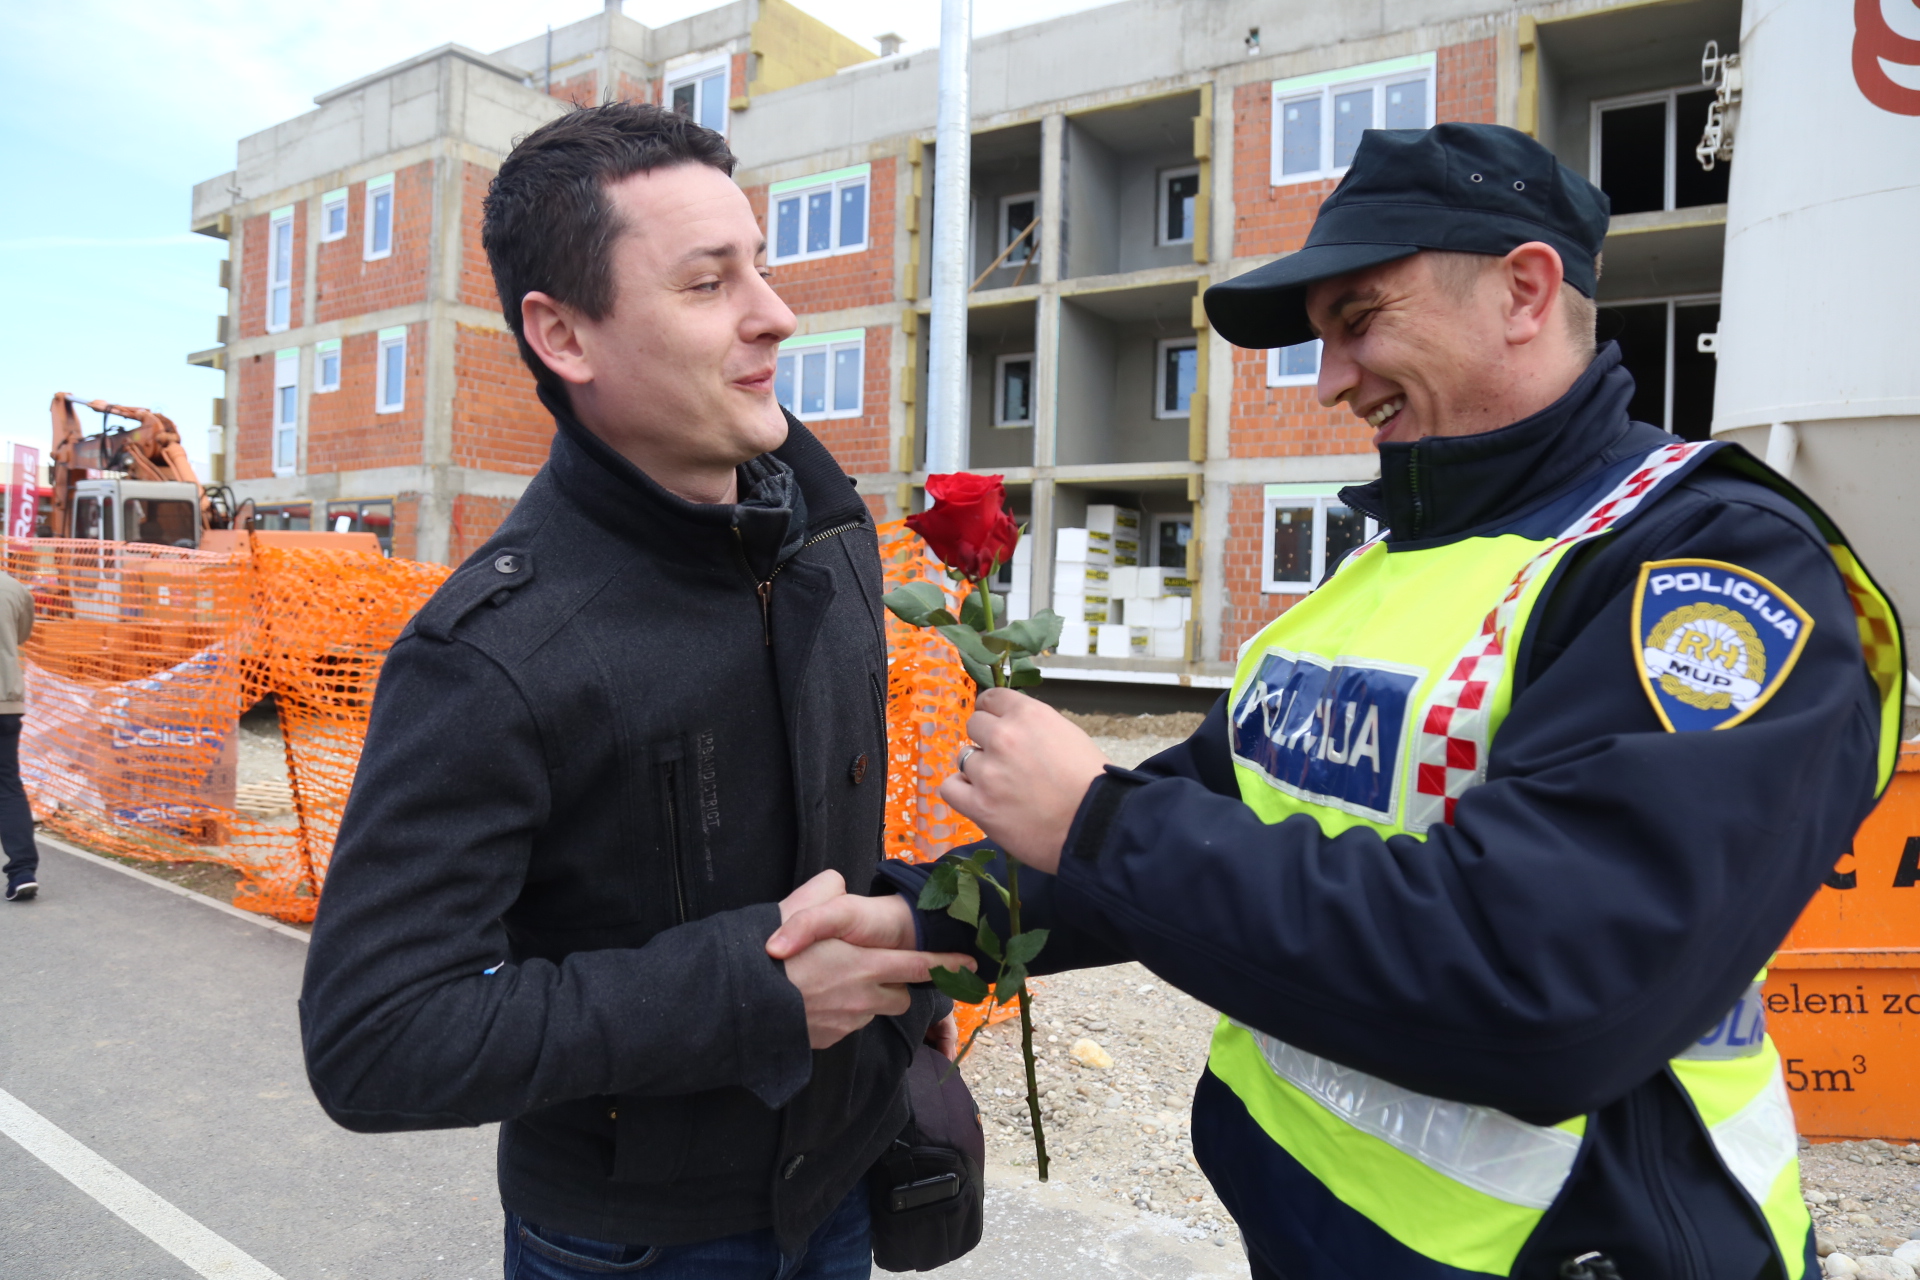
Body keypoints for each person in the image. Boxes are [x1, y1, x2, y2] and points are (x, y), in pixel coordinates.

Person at [770, 123, 1904, 1279]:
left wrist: (1100, 824)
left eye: (1358, 321)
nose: (1329, 384)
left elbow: (1551, 984)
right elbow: (1203, 805)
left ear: (1524, 290)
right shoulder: (1376, 569)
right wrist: (928, 918)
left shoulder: (1714, 573)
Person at [299, 103, 970, 1280]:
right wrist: (751, 992)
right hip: (641, 1244)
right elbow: (376, 1036)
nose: (776, 311)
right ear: (565, 335)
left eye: (759, 264)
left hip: (842, 1186)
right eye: (710, 283)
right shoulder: (492, 654)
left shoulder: (827, 540)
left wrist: (910, 958)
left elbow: (835, 846)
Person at [0, 568, 37, 902]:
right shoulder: (14, 588)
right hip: (5, 702)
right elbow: (21, 634)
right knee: (8, 785)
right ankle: (22, 872)